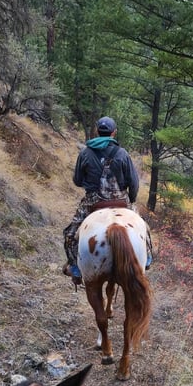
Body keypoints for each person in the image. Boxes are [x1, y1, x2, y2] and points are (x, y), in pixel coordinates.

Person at [63, 116, 152, 284]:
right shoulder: (122, 153)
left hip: (93, 201)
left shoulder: (85, 152)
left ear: (97, 131)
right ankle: (146, 259)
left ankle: (75, 267)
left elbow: (77, 180)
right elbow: (133, 183)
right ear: (114, 133)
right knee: (144, 229)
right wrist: (130, 200)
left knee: (69, 234)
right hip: (121, 200)